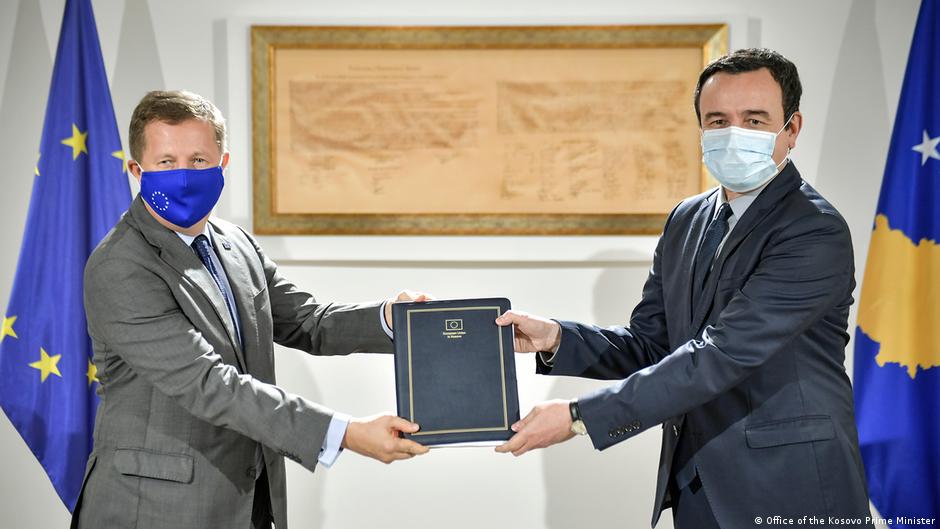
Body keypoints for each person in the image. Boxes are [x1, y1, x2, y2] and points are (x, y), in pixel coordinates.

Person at [494, 48, 873, 528]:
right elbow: (654, 344)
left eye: (754, 120)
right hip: (697, 488)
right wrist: (554, 337)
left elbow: (719, 355)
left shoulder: (814, 230)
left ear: (792, 128)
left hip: (792, 488)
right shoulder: (686, 219)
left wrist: (577, 416)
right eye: (718, 121)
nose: (733, 133)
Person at [72, 90, 429, 529]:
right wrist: (345, 433)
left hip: (250, 502)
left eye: (198, 160)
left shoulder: (235, 244)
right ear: (136, 170)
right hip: (154, 509)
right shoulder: (120, 266)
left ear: (222, 164)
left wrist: (395, 319)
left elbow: (307, 321)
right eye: (166, 162)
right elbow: (209, 385)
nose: (183, 176)